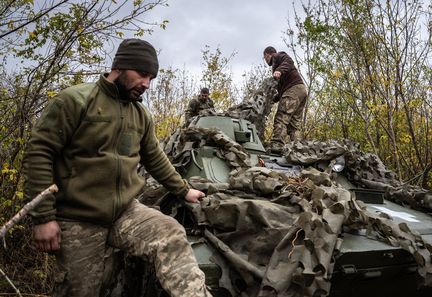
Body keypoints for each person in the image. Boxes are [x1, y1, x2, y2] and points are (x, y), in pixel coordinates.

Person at [23, 39, 212, 297]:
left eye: (151, 78)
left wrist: (184, 190)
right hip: (78, 218)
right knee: (80, 291)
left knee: (170, 233)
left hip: (124, 212)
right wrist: (43, 217)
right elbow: (39, 153)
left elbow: (154, 157)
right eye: (142, 74)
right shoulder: (76, 100)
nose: (147, 84)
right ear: (120, 66)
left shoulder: (140, 114)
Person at [263, 46, 308, 152]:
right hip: (301, 91)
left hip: (293, 90)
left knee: (281, 118)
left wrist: (279, 70)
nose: (265, 60)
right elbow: (282, 91)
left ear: (267, 55)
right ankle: (298, 149)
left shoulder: (277, 56)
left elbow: (288, 60)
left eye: (264, 58)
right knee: (294, 125)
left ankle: (277, 144)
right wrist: (273, 99)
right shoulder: (279, 64)